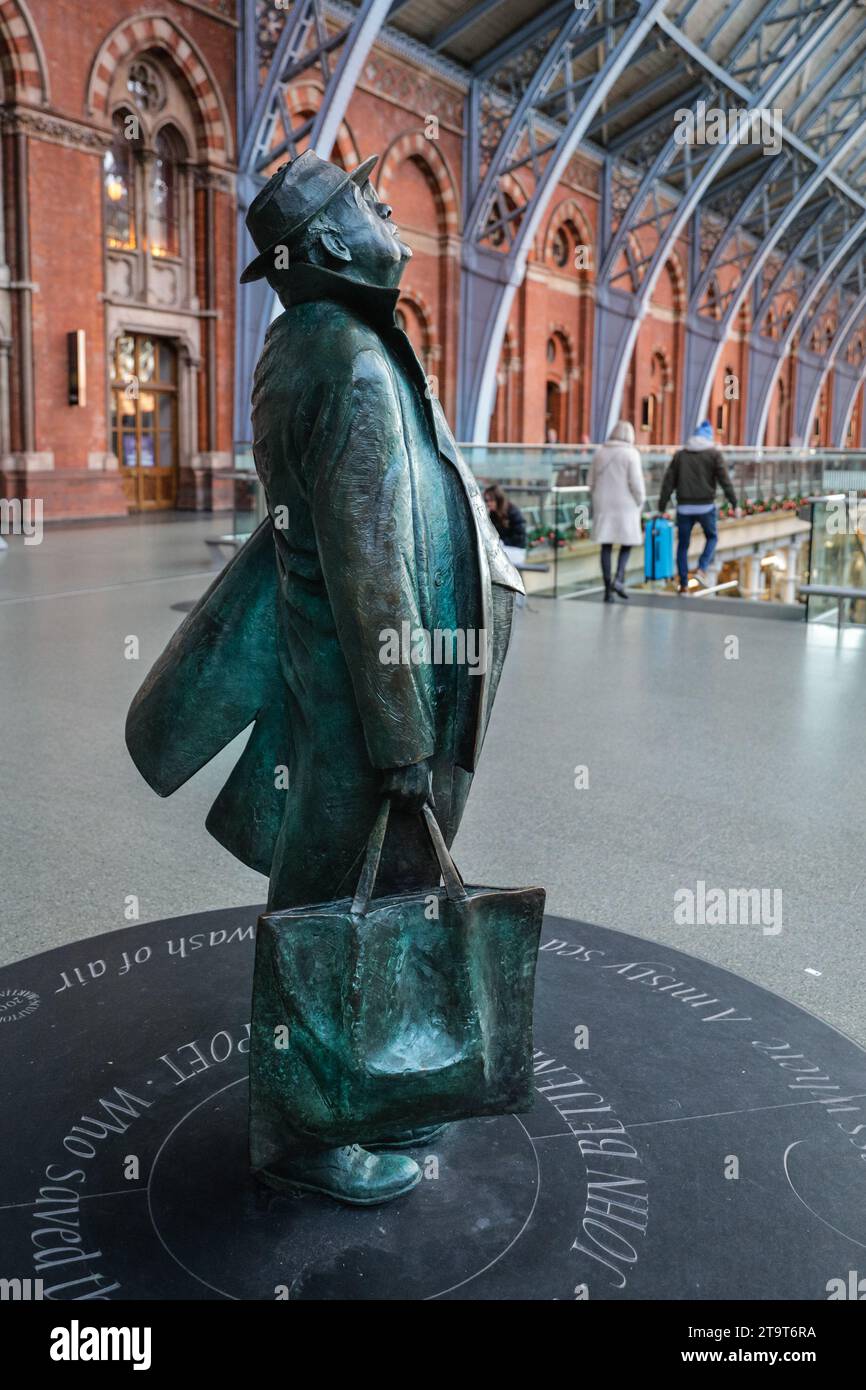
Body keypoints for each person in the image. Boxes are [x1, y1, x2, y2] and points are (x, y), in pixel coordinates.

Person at [125, 150, 523, 1206]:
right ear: (334, 245)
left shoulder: (305, 344)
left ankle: (370, 1086)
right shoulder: (345, 362)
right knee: (325, 903)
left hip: (354, 691)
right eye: (374, 207)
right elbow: (370, 575)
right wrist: (401, 736)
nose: (391, 215)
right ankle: (307, 1127)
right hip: (364, 704)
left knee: (370, 895)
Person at [658, 420, 738, 593]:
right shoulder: (714, 454)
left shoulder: (681, 455)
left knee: (683, 545)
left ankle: (684, 584)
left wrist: (661, 507)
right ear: (709, 437)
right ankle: (701, 568)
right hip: (705, 506)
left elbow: (668, 482)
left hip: (684, 507)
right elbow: (725, 481)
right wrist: (735, 503)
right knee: (712, 537)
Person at [588, 420, 645, 601]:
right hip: (626, 505)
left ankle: (607, 589)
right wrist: (640, 500)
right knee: (627, 542)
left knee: (606, 545)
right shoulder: (631, 454)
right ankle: (619, 578)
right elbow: (636, 483)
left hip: (603, 504)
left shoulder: (600, 453)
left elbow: (590, 481)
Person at [484, 484, 527, 550]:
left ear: (499, 499)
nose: (488, 503)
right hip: (502, 548)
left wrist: (503, 542)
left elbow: (520, 536)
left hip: (515, 550)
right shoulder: (492, 514)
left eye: (491, 500)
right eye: (486, 500)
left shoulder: (513, 512)